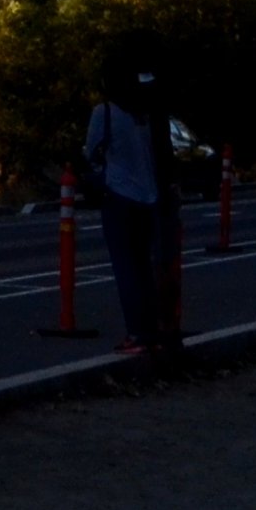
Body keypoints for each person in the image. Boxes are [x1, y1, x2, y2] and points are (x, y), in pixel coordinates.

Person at [80, 64, 178, 356]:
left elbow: (91, 150)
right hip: (148, 197)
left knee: (126, 269)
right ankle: (153, 329)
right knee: (144, 267)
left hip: (119, 195)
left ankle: (137, 332)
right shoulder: (144, 115)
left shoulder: (105, 113)